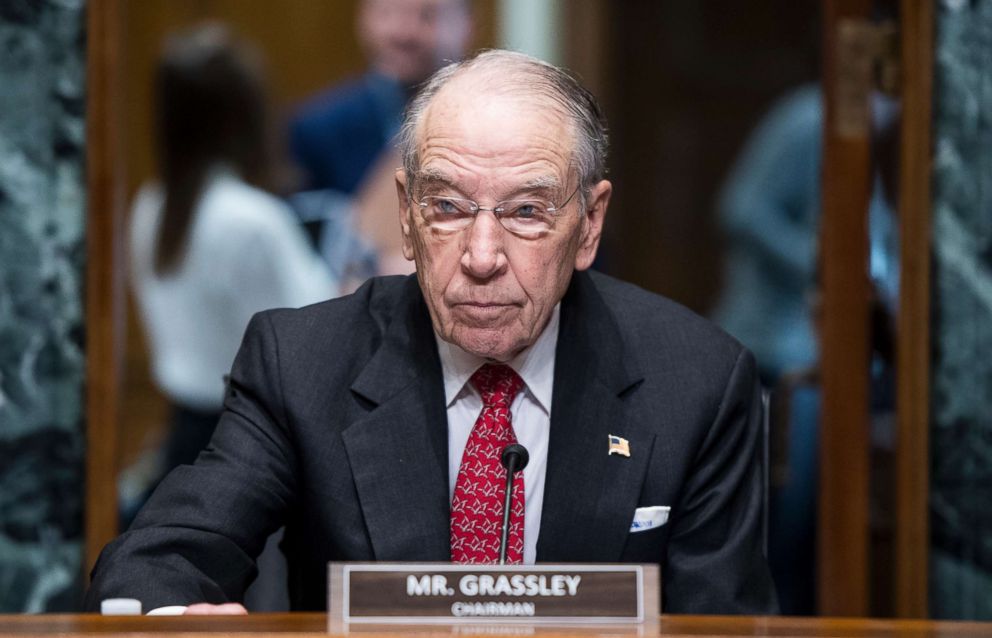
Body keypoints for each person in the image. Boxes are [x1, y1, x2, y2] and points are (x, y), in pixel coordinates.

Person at [87, 50, 776, 616]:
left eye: (527, 211)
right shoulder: (302, 362)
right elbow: (165, 554)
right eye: (446, 207)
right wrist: (171, 618)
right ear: (405, 217)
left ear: (589, 224)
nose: (481, 256)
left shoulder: (697, 382)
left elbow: (723, 624)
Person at [127, 24, 334, 513]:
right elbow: (318, 336)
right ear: (245, 116)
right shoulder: (251, 220)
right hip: (249, 440)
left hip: (184, 436)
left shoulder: (149, 207)